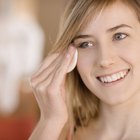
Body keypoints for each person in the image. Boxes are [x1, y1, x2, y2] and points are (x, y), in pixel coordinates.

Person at [29, 0, 140, 139]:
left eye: (119, 36)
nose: (104, 60)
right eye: (86, 44)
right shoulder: (59, 133)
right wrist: (50, 121)